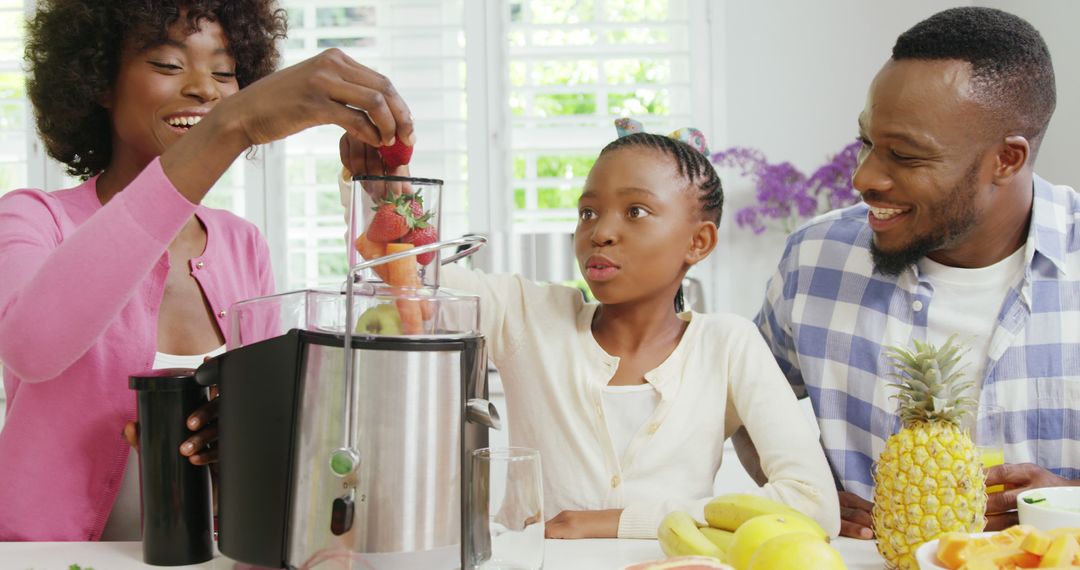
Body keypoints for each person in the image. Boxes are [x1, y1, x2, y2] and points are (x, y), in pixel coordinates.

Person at [0, 0, 413, 541]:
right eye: (169, 65)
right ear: (99, 81)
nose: (204, 89)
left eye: (224, 73)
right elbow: (33, 346)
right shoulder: (34, 220)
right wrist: (230, 123)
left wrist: (235, 441)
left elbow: (287, 442)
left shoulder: (244, 246)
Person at [339, 120, 841, 539]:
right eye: (588, 211)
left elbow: (812, 503)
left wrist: (615, 523)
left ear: (699, 241)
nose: (600, 231)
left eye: (636, 211)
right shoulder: (527, 314)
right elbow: (413, 281)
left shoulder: (728, 344)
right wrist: (377, 191)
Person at [753, 6, 1080, 539]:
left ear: (1008, 159)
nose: (864, 178)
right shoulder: (814, 260)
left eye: (904, 156)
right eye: (866, 143)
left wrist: (1071, 505)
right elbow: (747, 409)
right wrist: (802, 486)